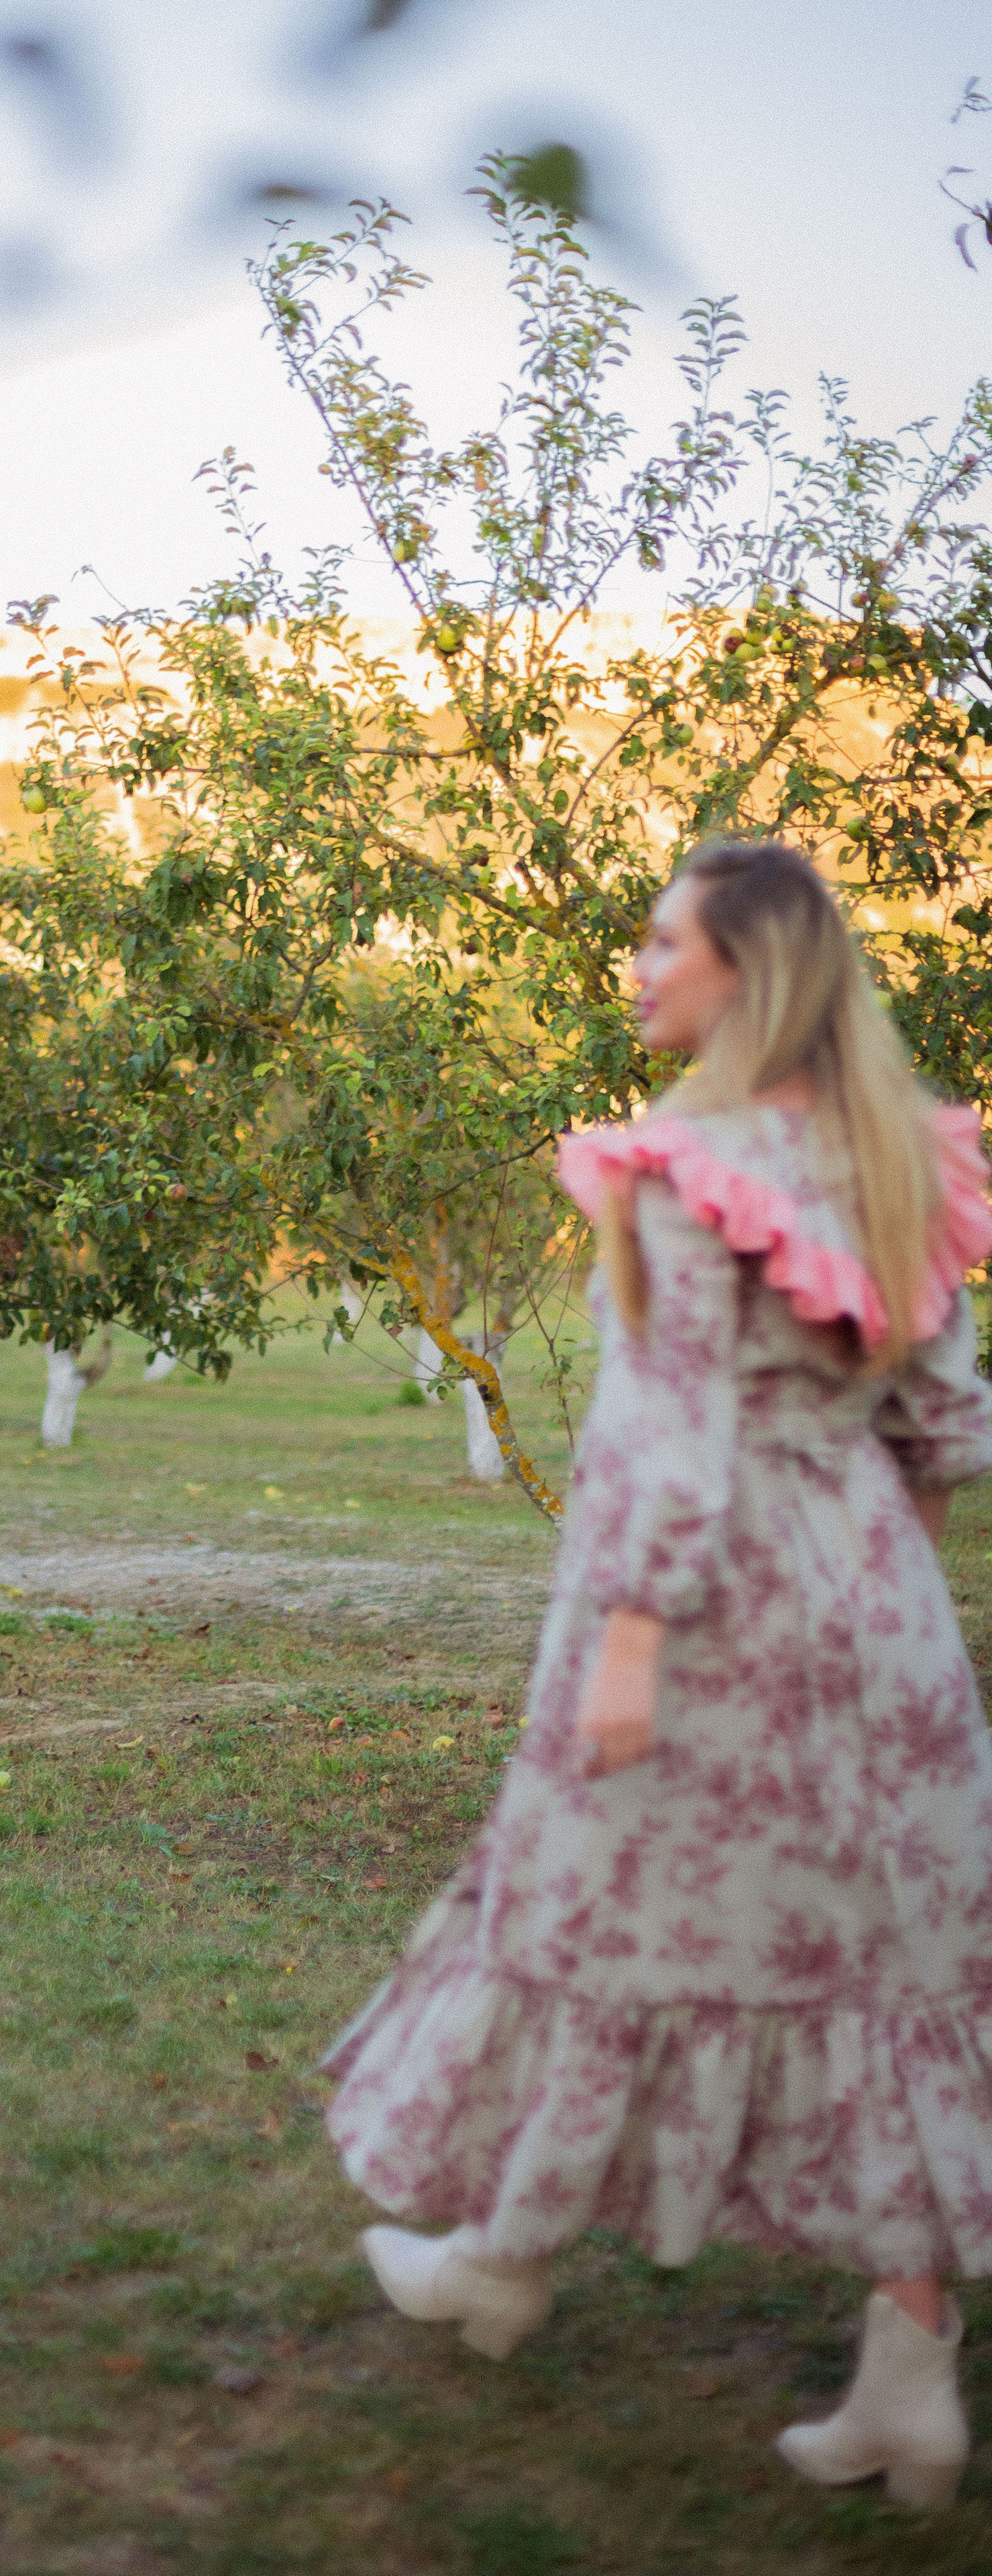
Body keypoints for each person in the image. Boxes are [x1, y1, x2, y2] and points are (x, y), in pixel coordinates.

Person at [323, 839, 992, 2511]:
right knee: (876, 1977)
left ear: (738, 974)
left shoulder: (687, 1168)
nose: (634, 968)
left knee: (584, 1925)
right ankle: (904, 2380)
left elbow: (667, 1437)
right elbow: (942, 1428)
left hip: (701, 1631)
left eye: (657, 942)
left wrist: (629, 1645)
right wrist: (872, 1582)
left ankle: (499, 2261)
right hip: (875, 1627)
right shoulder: (898, 1162)